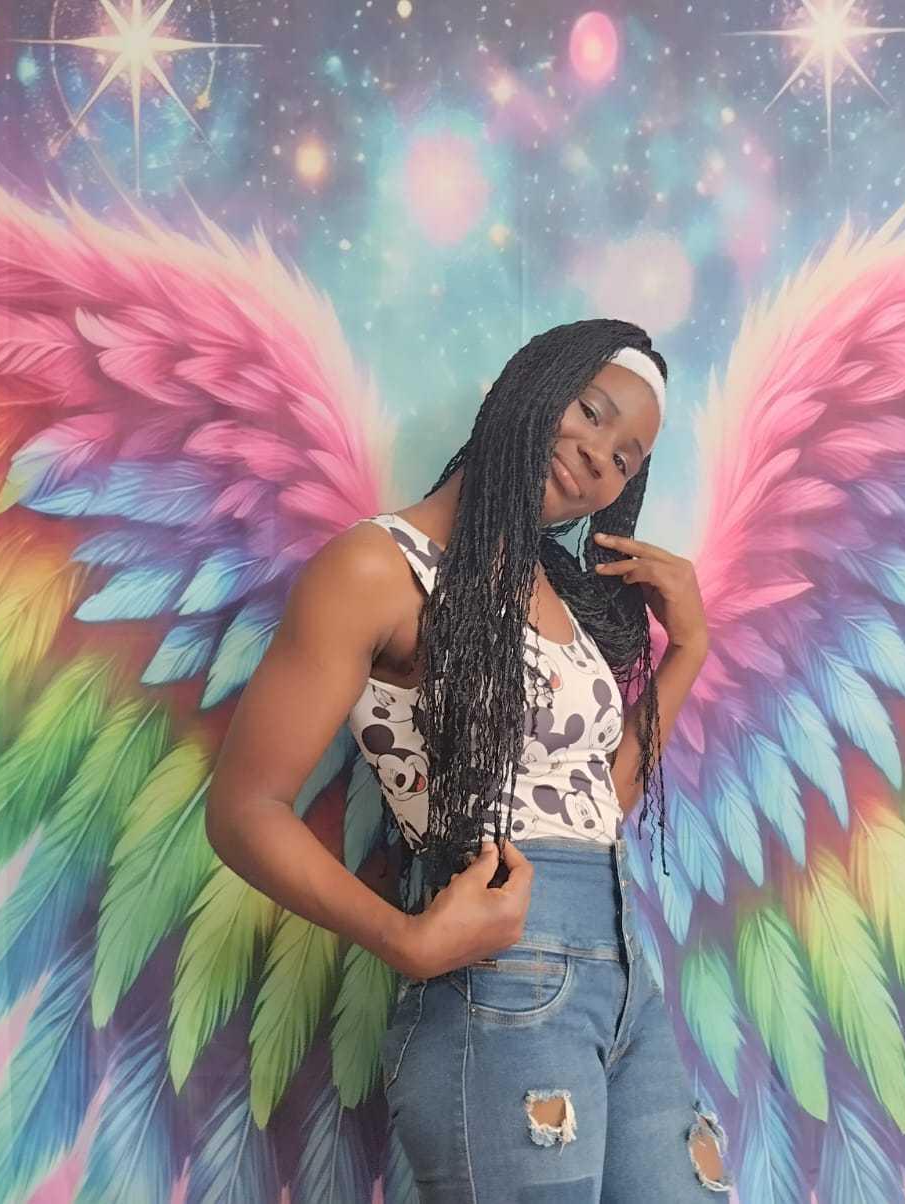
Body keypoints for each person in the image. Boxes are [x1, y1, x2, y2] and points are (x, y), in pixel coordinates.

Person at [206, 318, 731, 1200]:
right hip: (501, 981)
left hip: (621, 976)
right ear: (526, 384)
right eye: (591, 411)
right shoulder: (379, 567)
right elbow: (243, 809)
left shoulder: (559, 596)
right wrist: (404, 940)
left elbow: (594, 803)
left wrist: (688, 652)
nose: (599, 456)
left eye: (627, 459)